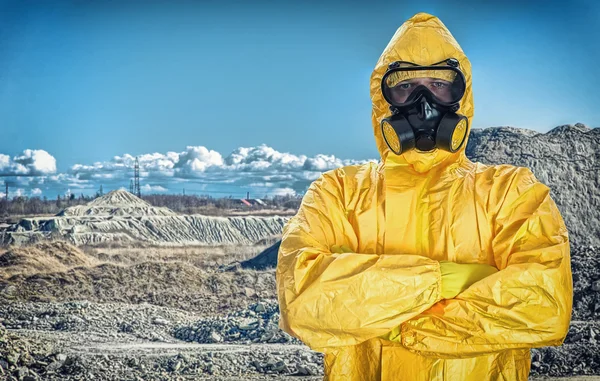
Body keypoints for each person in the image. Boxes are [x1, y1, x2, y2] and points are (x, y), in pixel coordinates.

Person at [275, 12, 573, 381]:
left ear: (461, 96)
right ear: (383, 100)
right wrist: (448, 281)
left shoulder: (510, 191)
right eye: (405, 87)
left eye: (438, 84)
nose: (423, 101)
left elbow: (543, 305)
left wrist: (392, 324)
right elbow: (302, 302)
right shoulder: (338, 192)